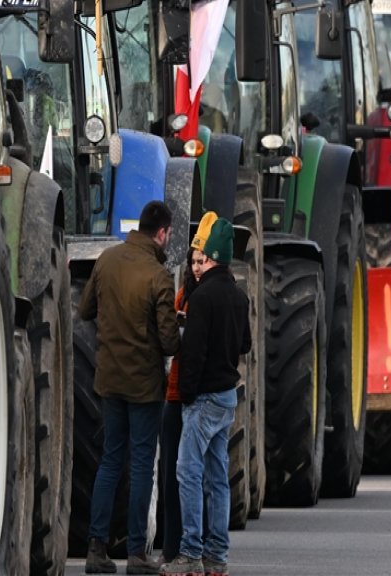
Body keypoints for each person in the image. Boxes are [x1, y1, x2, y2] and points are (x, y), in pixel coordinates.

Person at [79, 201, 181, 575]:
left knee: (109, 460)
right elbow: (169, 342)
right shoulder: (158, 276)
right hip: (144, 387)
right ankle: (137, 553)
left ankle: (96, 548)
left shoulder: (106, 260)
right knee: (141, 466)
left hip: (109, 380)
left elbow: (85, 309)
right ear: (162, 233)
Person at [160, 218, 251, 576]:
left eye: (202, 259)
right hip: (227, 397)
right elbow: (244, 344)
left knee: (187, 473)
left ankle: (191, 554)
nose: (197, 267)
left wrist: (185, 393)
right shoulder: (239, 296)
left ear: (211, 256)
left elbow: (193, 353)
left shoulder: (201, 297)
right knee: (217, 478)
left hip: (202, 400)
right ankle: (217, 555)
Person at [158, 213, 216, 564]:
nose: (196, 267)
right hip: (175, 395)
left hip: (194, 395)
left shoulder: (210, 298)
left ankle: (197, 546)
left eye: (201, 261)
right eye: (194, 261)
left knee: (197, 475)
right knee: (172, 475)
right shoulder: (184, 294)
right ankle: (172, 545)